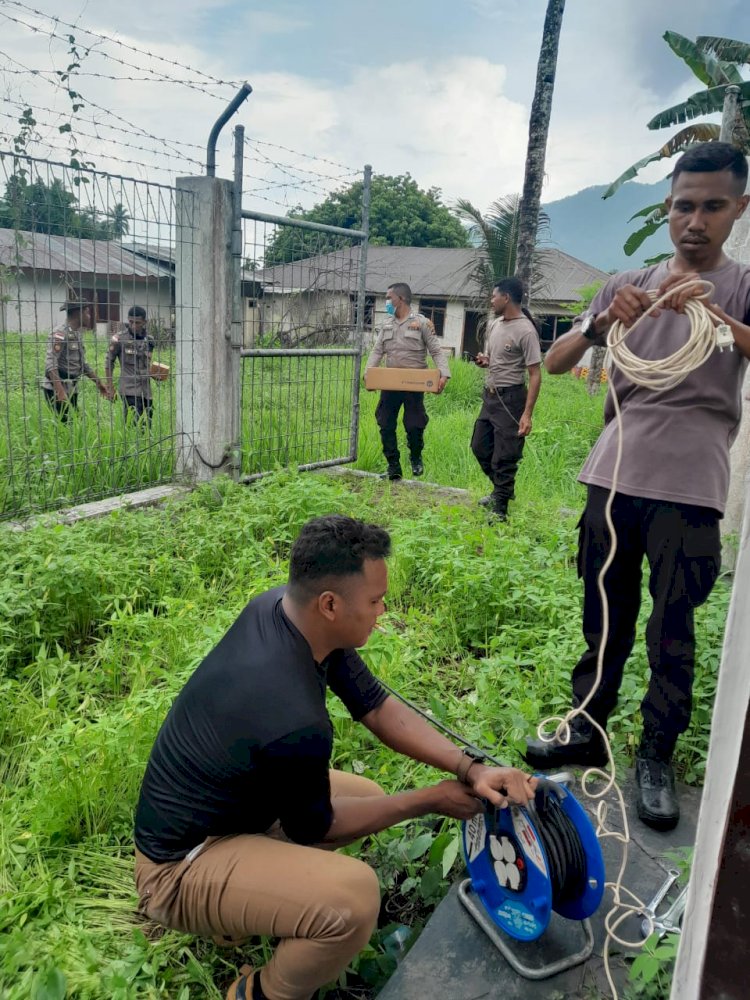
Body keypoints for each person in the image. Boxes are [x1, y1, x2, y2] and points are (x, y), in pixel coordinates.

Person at [134, 515, 537, 1000]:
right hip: (177, 869)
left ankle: (253, 908)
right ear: (330, 604)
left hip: (237, 812)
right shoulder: (292, 716)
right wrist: (429, 799)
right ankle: (261, 992)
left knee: (366, 796)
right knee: (354, 900)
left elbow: (373, 703)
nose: (383, 609)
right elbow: (317, 827)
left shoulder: (284, 612)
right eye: (373, 601)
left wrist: (470, 768)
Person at [525, 142, 750, 832]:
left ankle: (656, 753)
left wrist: (716, 322)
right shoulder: (626, 281)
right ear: (666, 209)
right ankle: (587, 726)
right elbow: (559, 360)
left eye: (714, 206)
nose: (696, 220)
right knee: (604, 616)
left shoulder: (741, 287)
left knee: (671, 630)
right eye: (684, 205)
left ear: (738, 209)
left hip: (692, 488)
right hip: (612, 477)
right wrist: (603, 320)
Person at [471, 277, 542, 521]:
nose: (491, 300)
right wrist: (485, 361)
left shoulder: (526, 330)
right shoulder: (495, 325)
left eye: (494, 296)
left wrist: (527, 413)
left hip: (511, 398)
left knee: (506, 453)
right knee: (479, 446)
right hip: (490, 397)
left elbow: (534, 374)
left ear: (506, 298)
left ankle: (500, 506)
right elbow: (497, 360)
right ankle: (502, 490)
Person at [365, 283, 450, 480]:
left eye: (389, 298)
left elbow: (436, 351)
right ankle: (393, 467)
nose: (387, 302)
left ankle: (415, 457)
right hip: (390, 383)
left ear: (400, 299)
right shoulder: (386, 324)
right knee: (385, 422)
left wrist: (443, 374)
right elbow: (377, 351)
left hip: (414, 384)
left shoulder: (422, 323)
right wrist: (369, 374)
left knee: (414, 424)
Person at [42, 301, 110, 419]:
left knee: (72, 426)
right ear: (79, 313)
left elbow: (82, 365)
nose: (90, 316)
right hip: (57, 388)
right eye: (87, 313)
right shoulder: (60, 334)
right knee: (63, 427)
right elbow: (50, 363)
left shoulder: (76, 334)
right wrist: (59, 391)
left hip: (71, 387)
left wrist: (99, 383)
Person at [105, 305, 157, 422]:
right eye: (130, 322)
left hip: (146, 391)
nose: (133, 326)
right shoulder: (119, 339)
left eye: (137, 322)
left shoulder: (149, 340)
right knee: (132, 424)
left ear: (144, 322)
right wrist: (110, 386)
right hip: (129, 390)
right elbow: (109, 361)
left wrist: (155, 374)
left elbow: (146, 364)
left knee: (147, 422)